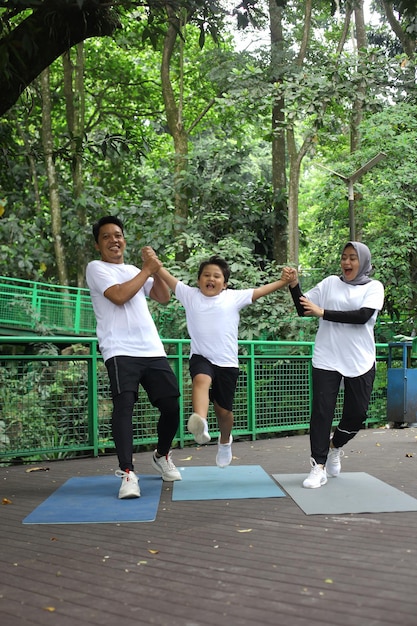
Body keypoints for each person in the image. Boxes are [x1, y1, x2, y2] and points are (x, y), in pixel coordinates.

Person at [149, 250, 293, 468]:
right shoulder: (189, 295)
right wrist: (153, 262)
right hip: (201, 356)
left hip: (227, 362)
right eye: (206, 275)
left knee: (224, 411)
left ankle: (225, 440)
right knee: (201, 380)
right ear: (198, 281)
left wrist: (283, 281)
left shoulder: (232, 297)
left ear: (224, 284)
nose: (211, 279)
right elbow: (167, 276)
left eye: (216, 276)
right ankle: (201, 422)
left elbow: (259, 291)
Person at [86, 216, 182, 499]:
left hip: (151, 348)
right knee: (124, 406)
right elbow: (118, 296)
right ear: (98, 245)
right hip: (118, 349)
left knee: (171, 405)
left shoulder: (133, 269)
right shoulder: (96, 268)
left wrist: (156, 269)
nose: (114, 240)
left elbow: (162, 297)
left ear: (124, 240)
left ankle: (162, 455)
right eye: (106, 237)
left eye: (118, 235)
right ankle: (127, 473)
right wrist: (147, 270)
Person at [287, 241, 384, 489]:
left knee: (357, 414)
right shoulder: (330, 283)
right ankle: (317, 466)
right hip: (327, 357)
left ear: (362, 262)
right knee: (321, 411)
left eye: (353, 258)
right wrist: (294, 285)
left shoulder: (374, 287)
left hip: (360, 359)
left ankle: (335, 446)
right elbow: (303, 308)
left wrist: (323, 313)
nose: (347, 262)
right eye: (344, 257)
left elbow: (362, 317)